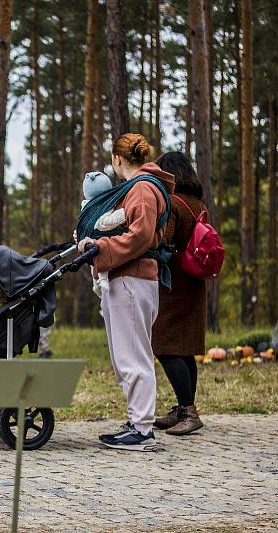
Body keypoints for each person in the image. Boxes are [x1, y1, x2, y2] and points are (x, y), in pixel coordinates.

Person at [77, 133, 175, 451]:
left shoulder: (143, 188)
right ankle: (137, 420)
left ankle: (142, 428)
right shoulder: (141, 187)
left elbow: (140, 236)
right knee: (127, 353)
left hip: (132, 279)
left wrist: (100, 246)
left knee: (133, 355)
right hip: (129, 278)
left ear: (118, 160)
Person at [151, 151, 207, 435]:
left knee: (164, 345)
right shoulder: (198, 203)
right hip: (195, 282)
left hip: (174, 286)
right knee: (184, 349)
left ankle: (189, 411)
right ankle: (184, 407)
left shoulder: (172, 203)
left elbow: (165, 241)